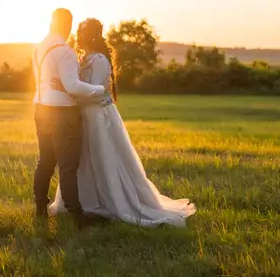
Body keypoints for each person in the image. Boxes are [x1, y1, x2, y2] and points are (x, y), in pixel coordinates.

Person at [49, 18, 196, 227]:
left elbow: (93, 92)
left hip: (98, 118)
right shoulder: (85, 58)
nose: (77, 37)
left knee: (104, 157)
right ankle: (84, 201)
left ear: (91, 35)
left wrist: (66, 89)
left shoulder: (99, 60)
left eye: (82, 33)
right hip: (85, 116)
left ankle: (114, 201)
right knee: (83, 160)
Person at [32, 8, 108, 228]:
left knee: (45, 160)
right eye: (70, 25)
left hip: (40, 109)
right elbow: (72, 86)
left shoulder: (39, 48)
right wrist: (99, 90)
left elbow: (48, 80)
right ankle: (76, 215)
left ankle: (40, 209)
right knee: (67, 165)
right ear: (66, 24)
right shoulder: (64, 51)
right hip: (62, 112)